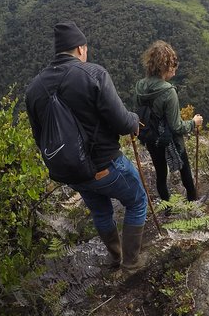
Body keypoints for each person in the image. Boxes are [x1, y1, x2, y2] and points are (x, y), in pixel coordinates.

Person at [25, 21, 146, 272]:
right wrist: (134, 120)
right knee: (137, 201)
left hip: (71, 173)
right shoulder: (93, 74)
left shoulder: (34, 88)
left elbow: (40, 138)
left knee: (101, 212)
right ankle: (131, 263)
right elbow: (122, 122)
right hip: (105, 165)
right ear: (80, 49)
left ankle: (115, 258)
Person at [135, 40, 203, 203]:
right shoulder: (168, 91)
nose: (175, 70)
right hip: (169, 140)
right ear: (166, 67)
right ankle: (193, 203)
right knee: (184, 169)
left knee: (160, 173)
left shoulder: (140, 86)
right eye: (173, 66)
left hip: (151, 138)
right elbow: (176, 126)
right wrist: (194, 122)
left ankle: (167, 207)